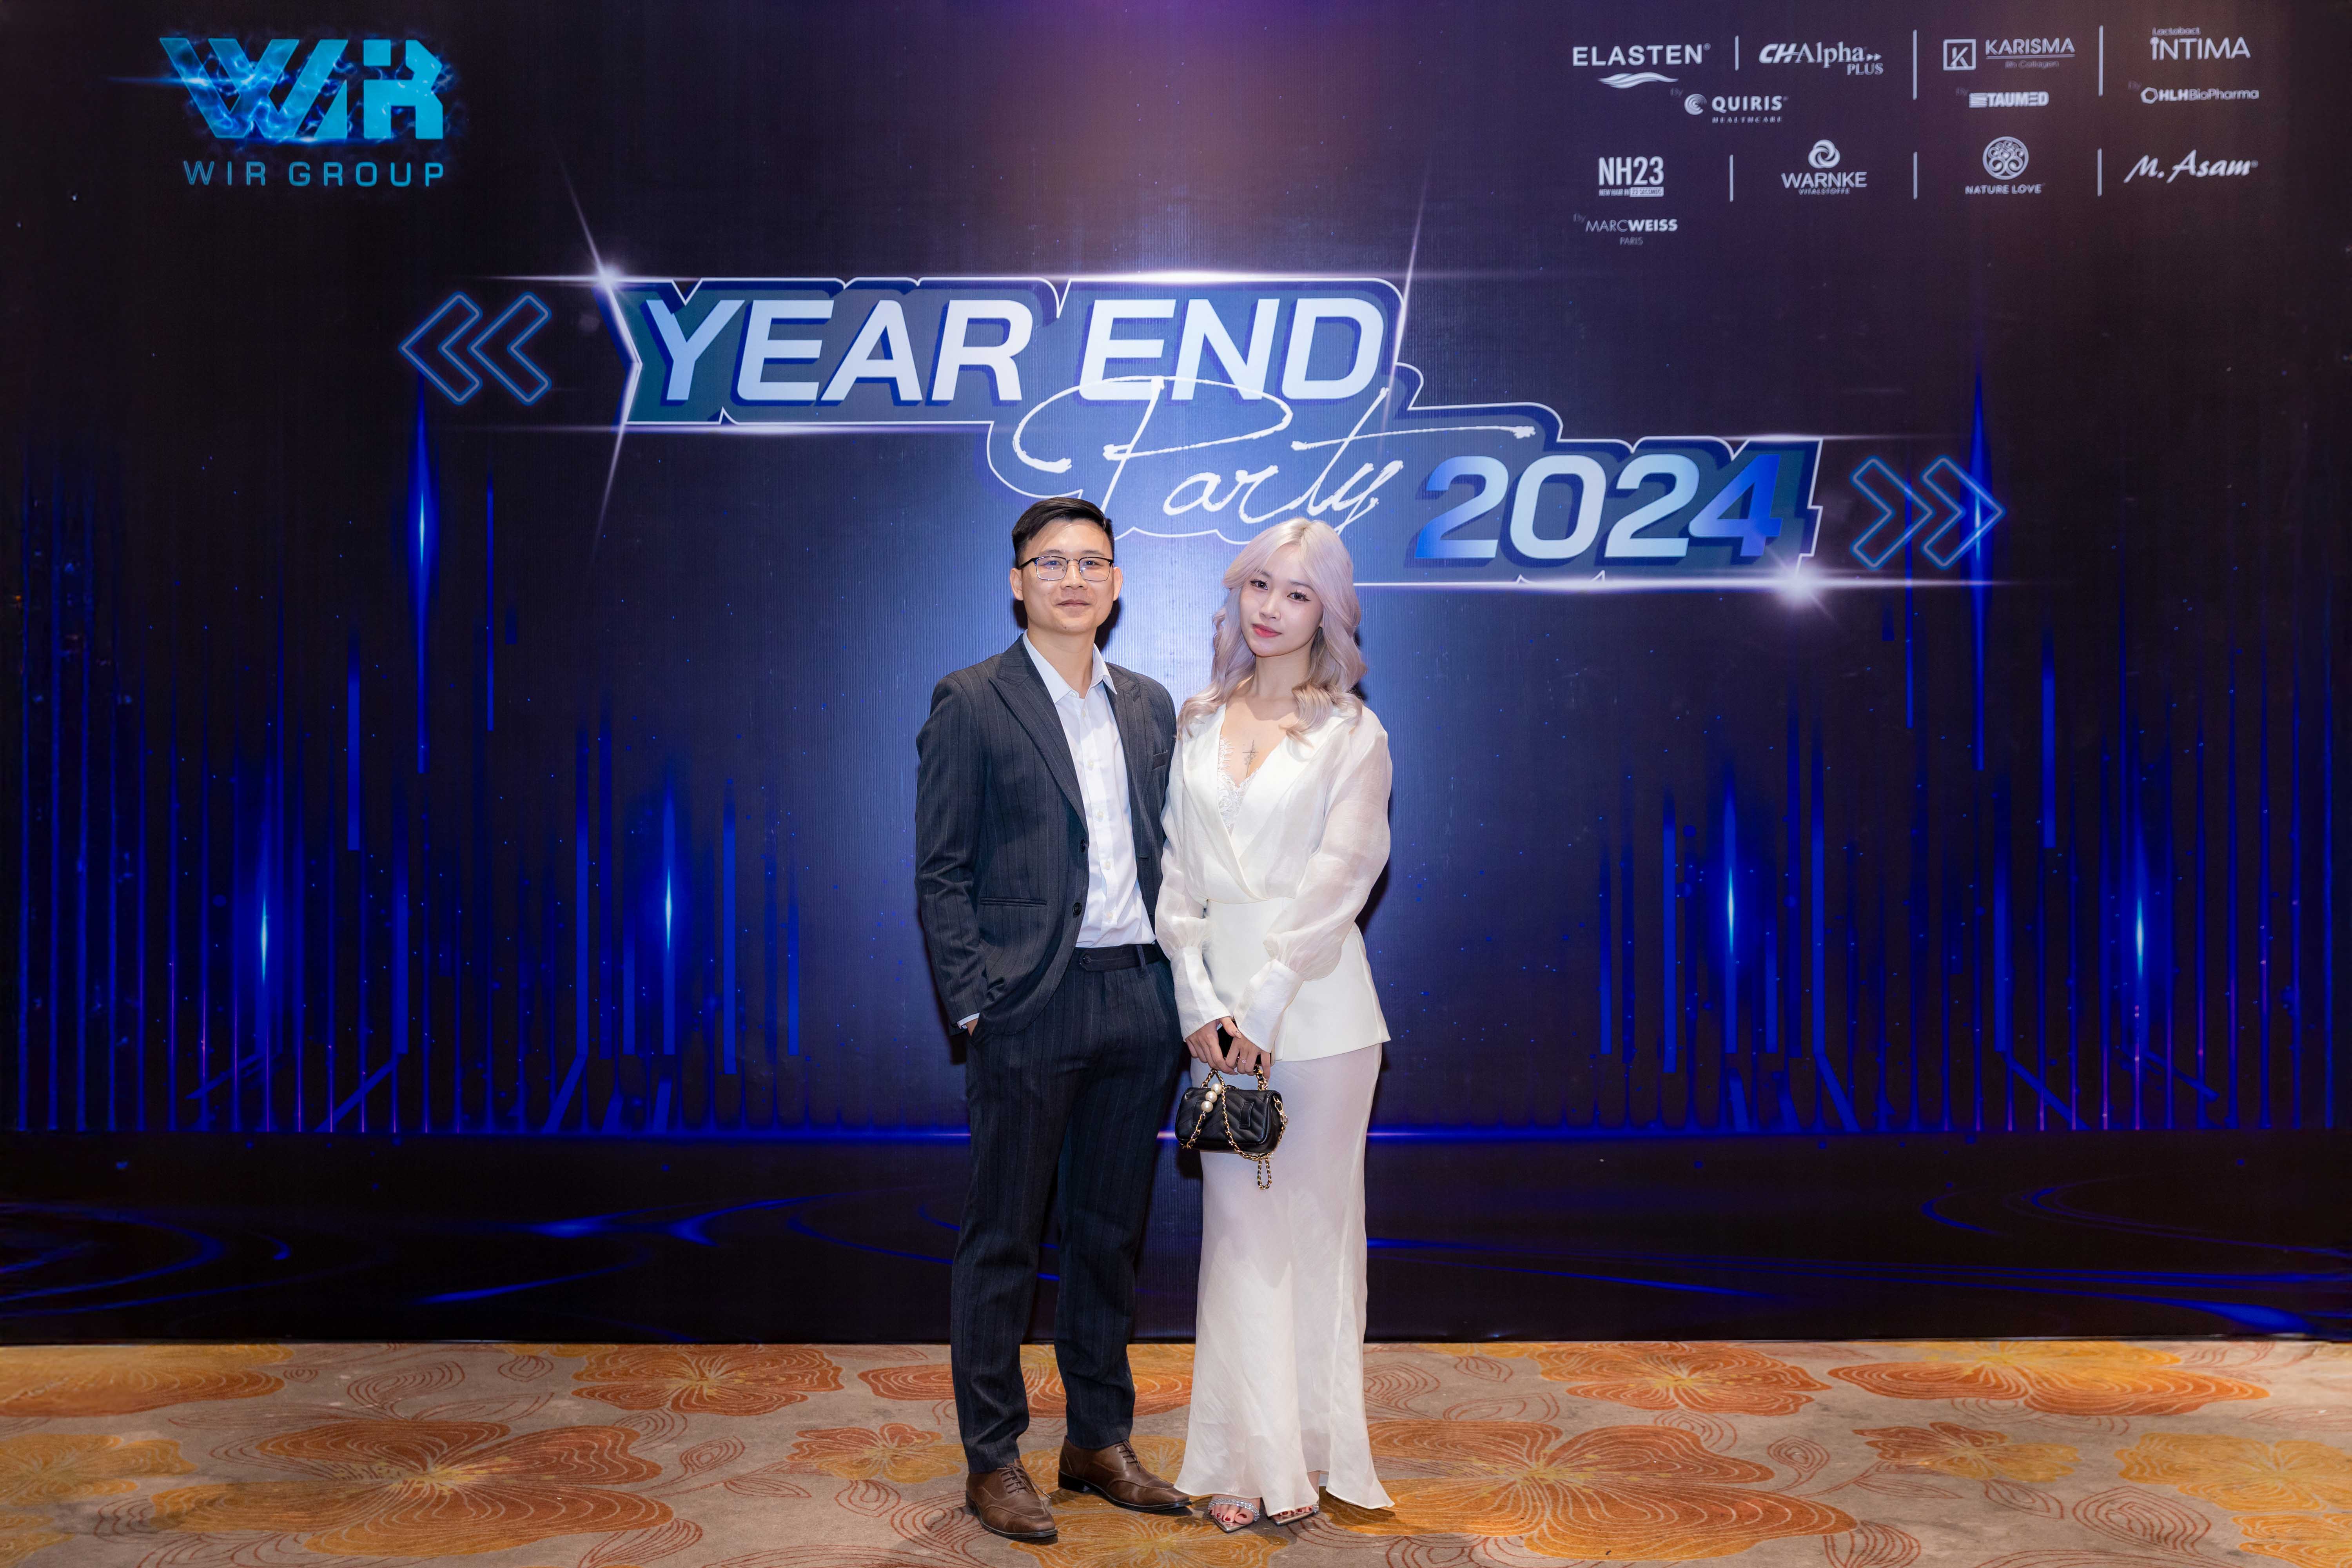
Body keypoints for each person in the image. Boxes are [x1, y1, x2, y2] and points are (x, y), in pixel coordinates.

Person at [914, 497, 1190, 1545]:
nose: (1074, 578)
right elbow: (942, 873)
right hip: (1030, 1005)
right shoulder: (972, 700)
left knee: (1109, 1240)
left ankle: (1098, 1442)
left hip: (1141, 999)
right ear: (1017, 582)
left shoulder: (1151, 706)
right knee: (1003, 1241)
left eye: (1093, 562)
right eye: (1051, 562)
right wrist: (976, 1004)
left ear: (1116, 584)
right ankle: (993, 1460)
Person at [1156, 517, 1396, 1531]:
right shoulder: (1196, 720)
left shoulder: (1354, 734)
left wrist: (1263, 1003)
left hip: (1322, 1017)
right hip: (1218, 1027)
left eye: (1298, 593)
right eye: (1259, 584)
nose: (1271, 608)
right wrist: (1198, 1000)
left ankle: (1313, 1451)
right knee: (1240, 1240)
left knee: (1316, 1237)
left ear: (1328, 613)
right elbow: (1176, 875)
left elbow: (1345, 877)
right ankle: (1245, 1461)